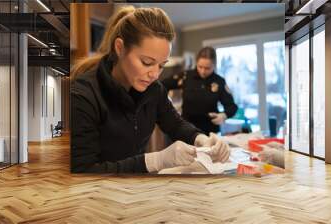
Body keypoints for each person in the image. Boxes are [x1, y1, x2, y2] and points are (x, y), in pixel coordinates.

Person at [70, 6, 230, 173]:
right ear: (120, 48)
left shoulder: (154, 90)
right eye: (147, 62)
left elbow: (175, 124)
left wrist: (201, 139)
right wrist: (156, 160)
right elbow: (83, 171)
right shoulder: (83, 96)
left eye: (161, 65)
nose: (155, 74)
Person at [162, 47, 238, 134]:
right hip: (186, 130)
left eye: (207, 68)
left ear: (214, 65)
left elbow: (232, 107)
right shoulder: (186, 76)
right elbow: (162, 85)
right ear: (196, 63)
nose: (203, 71)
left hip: (210, 131)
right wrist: (165, 105)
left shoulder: (219, 81)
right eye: (200, 66)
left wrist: (224, 115)